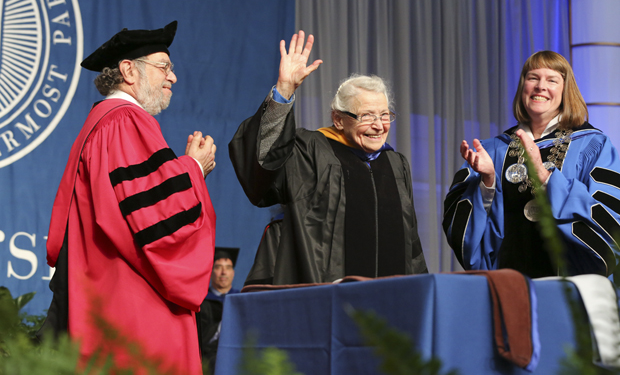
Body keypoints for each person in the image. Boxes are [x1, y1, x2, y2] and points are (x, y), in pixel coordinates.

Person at [40, 21, 217, 375]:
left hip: (105, 296)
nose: (173, 77)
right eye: (164, 66)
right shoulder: (124, 121)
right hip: (132, 306)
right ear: (128, 71)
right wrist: (194, 169)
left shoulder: (102, 122)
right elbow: (160, 220)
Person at [229, 30, 427, 285]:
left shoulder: (396, 164)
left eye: (385, 115)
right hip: (326, 295)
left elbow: (411, 241)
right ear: (338, 119)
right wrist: (284, 90)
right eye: (366, 116)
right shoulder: (309, 150)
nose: (379, 125)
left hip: (390, 303)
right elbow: (263, 165)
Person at [443, 50, 620, 278]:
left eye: (552, 80)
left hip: (570, 290)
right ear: (523, 87)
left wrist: (546, 178)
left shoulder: (592, 145)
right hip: (508, 288)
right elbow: (463, 233)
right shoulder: (494, 150)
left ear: (566, 90)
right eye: (533, 78)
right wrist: (487, 182)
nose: (540, 86)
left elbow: (609, 218)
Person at [198, 247, 240, 371]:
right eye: (218, 267)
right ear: (211, 271)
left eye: (228, 268)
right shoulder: (201, 302)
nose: (223, 272)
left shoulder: (240, 300)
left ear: (233, 273)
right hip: (209, 356)